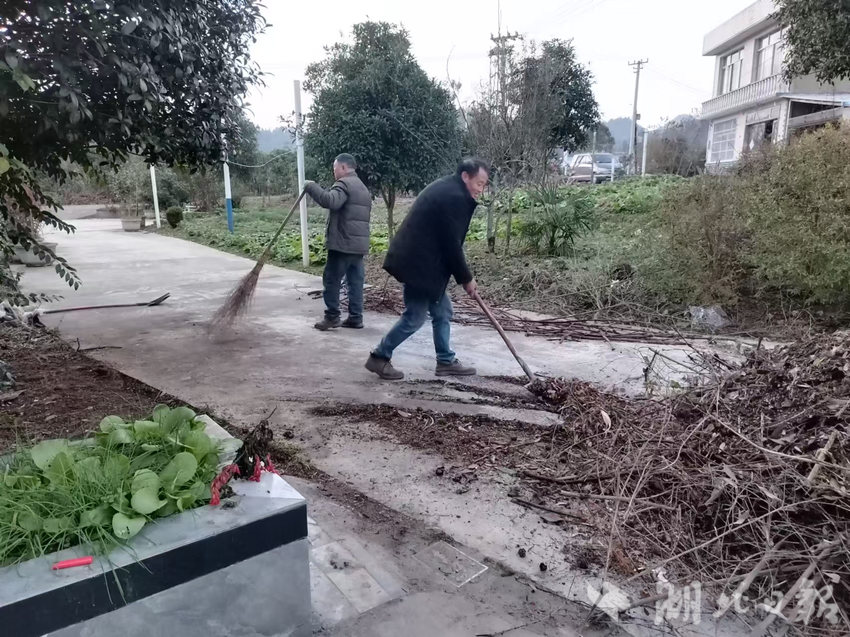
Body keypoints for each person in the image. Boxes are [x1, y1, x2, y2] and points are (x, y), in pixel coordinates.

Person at [365, 158, 490, 380]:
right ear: (465, 177)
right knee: (414, 317)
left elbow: (447, 241)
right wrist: (466, 278)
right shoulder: (454, 197)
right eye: (479, 183)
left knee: (442, 311)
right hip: (419, 266)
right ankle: (379, 356)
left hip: (422, 262)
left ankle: (445, 361)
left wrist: (463, 276)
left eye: (483, 185)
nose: (481, 189)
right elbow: (451, 245)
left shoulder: (448, 188)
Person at [303, 153, 372, 330]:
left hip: (342, 244)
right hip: (358, 245)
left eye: (335, 168)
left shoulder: (344, 184)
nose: (334, 172)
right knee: (355, 282)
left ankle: (332, 317)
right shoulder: (362, 187)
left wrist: (311, 186)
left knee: (332, 280)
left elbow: (330, 201)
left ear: (343, 167)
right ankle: (356, 318)